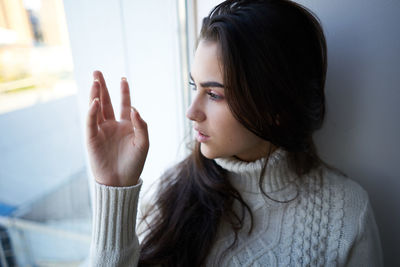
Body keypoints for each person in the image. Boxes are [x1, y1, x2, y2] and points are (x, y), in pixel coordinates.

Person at [86, 0, 383, 266]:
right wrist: (114, 190)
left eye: (214, 94)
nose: (192, 112)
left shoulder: (345, 214)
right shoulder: (173, 192)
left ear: (275, 106)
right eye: (195, 86)